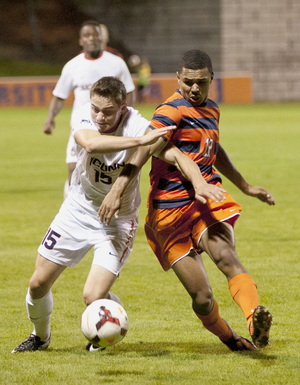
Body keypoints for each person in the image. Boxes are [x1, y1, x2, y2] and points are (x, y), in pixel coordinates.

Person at [98, 50, 275, 351]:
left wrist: (244, 186)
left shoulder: (213, 110)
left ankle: (253, 319)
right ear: (178, 78)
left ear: (211, 80)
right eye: (189, 82)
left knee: (225, 255)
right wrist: (118, 188)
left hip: (205, 201)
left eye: (201, 82)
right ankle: (230, 338)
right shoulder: (171, 110)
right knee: (202, 298)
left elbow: (214, 149)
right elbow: (146, 149)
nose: (194, 89)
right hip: (168, 211)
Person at [12, 77, 175, 353]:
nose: (99, 116)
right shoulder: (89, 121)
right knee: (38, 283)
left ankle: (111, 319)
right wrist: (141, 141)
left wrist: (198, 175)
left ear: (122, 107)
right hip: (78, 209)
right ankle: (40, 337)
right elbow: (90, 145)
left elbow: (169, 152)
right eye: (95, 108)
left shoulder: (137, 122)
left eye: (107, 111)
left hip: (117, 222)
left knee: (93, 296)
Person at [43, 20, 135, 199]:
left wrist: (125, 116)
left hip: (110, 128)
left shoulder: (116, 63)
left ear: (102, 38)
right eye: (87, 35)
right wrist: (50, 119)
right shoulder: (72, 66)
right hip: (81, 128)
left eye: (95, 34)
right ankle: (73, 208)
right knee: (73, 168)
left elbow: (130, 91)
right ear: (81, 41)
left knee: (107, 173)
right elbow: (59, 96)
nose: (92, 38)